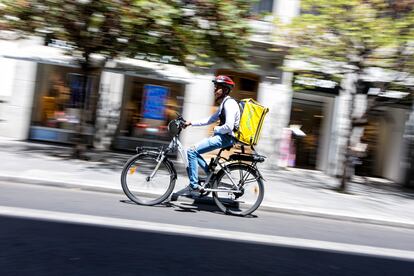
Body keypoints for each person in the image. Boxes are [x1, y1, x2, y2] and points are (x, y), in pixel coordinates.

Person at [184, 75, 240, 193]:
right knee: (194, 151)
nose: (214, 90)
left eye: (217, 87)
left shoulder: (229, 104)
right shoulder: (224, 104)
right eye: (215, 87)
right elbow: (209, 120)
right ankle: (210, 175)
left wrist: (216, 129)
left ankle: (194, 185)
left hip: (226, 137)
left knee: (191, 151)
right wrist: (191, 123)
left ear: (225, 89)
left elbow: (229, 126)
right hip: (224, 137)